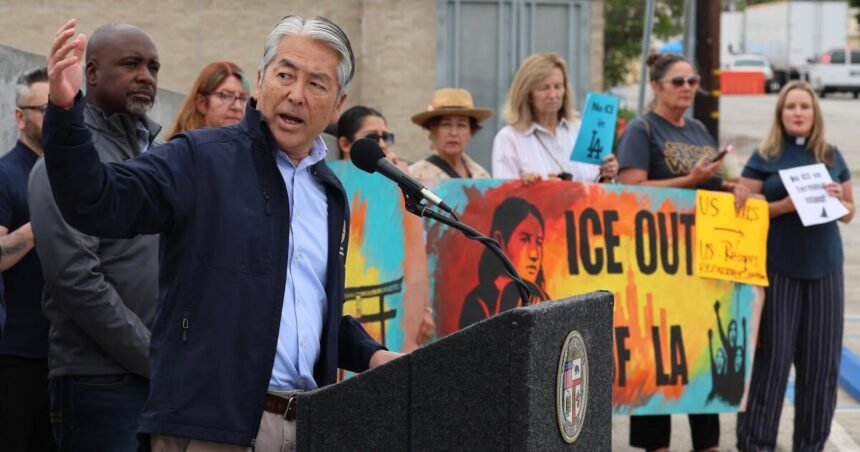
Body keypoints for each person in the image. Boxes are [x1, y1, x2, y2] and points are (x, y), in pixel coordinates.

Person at [44, 15, 398, 450]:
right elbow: (97, 201)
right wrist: (64, 113)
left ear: (338, 103)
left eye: (316, 84)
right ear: (262, 79)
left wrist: (371, 353)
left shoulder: (330, 193)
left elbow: (304, 307)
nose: (296, 94)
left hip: (306, 423)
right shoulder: (199, 159)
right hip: (208, 427)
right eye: (285, 75)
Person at [28, 24, 161, 451]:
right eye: (131, 64)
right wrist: (153, 355)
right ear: (91, 73)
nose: (146, 76)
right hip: (99, 383)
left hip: (158, 380)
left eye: (153, 67)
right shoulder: (63, 164)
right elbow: (76, 281)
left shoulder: (154, 159)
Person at [616, 52, 748, 452]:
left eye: (693, 80)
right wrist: (689, 180)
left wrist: (733, 187)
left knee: (700, 358)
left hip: (700, 268)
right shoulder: (642, 131)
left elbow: (710, 187)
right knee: (658, 359)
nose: (688, 88)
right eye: (678, 82)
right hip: (656, 266)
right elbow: (631, 189)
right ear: (656, 86)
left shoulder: (698, 130)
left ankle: (706, 443)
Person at [735, 81, 854, 452]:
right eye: (791, 107)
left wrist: (840, 199)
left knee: (820, 365)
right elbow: (742, 210)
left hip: (825, 268)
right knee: (772, 361)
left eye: (804, 107)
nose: (798, 113)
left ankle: (811, 443)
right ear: (780, 114)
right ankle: (757, 442)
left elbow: (850, 214)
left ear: (814, 113)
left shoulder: (831, 156)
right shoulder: (765, 155)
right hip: (778, 269)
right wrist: (781, 207)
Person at [336, 106, 435, 350]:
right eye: (372, 137)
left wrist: (424, 309)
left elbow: (415, 254)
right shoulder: (328, 184)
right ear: (346, 144)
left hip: (390, 316)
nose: (381, 144)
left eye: (385, 137)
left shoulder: (398, 183)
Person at [0, 67, 55, 452]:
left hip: (64, 357)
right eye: (45, 109)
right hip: (16, 356)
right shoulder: (5, 174)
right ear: (20, 117)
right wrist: (44, 224)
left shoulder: (65, 173)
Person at [492, 52, 618, 184]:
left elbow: (602, 192)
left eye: (557, 87)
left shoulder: (582, 130)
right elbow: (504, 197)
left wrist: (607, 175)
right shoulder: (508, 138)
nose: (552, 95)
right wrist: (543, 190)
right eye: (544, 88)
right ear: (527, 94)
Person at [460, 197, 549, 329]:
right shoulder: (478, 303)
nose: (535, 254)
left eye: (539, 243)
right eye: (525, 239)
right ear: (499, 240)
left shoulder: (541, 298)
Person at [408, 88, 493, 179]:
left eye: (461, 125)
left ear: (471, 131)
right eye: (446, 124)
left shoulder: (482, 177)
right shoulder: (413, 176)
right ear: (433, 130)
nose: (454, 133)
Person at [165, 61, 250, 138]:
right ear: (201, 103)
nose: (237, 107)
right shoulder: (180, 150)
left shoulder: (252, 151)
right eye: (225, 96)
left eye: (243, 98)